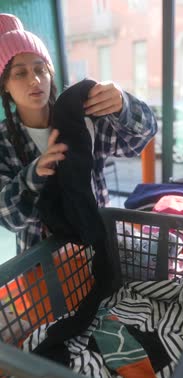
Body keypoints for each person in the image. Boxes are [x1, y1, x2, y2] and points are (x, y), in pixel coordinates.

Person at [0, 13, 157, 255]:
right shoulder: (3, 141)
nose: (35, 80)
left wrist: (124, 104)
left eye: (40, 69)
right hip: (43, 260)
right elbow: (7, 216)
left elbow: (140, 138)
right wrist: (35, 173)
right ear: (5, 86)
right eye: (20, 73)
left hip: (98, 246)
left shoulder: (79, 119)